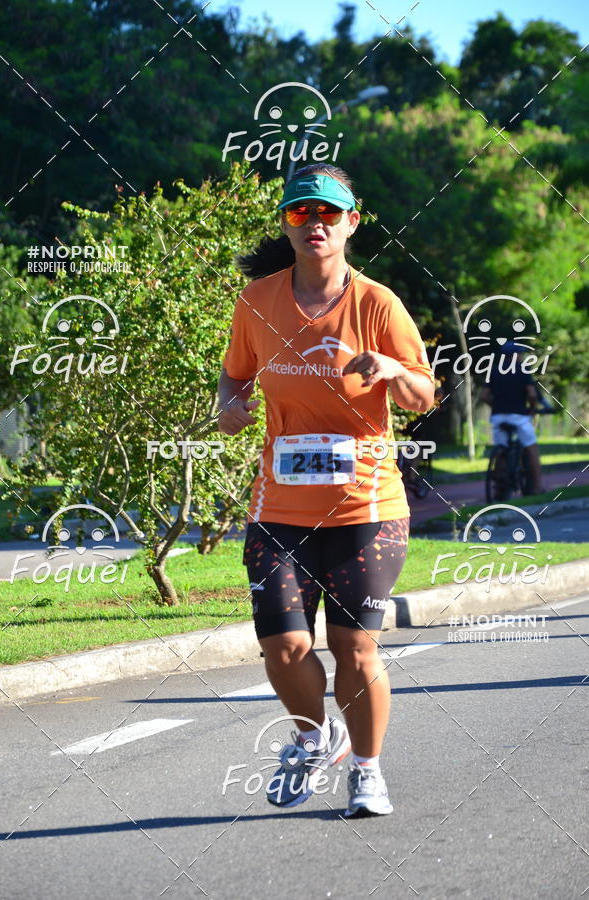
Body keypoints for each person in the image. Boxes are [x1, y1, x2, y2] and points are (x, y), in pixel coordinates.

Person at [218, 164, 434, 817]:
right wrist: (229, 407)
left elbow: (424, 397)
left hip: (366, 508)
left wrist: (394, 369)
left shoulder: (377, 304)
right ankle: (314, 738)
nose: (315, 224)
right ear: (287, 224)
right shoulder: (256, 302)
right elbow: (232, 381)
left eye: (328, 213)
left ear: (351, 221)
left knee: (354, 646)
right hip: (279, 508)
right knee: (283, 646)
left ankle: (367, 771)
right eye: (299, 213)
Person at [480, 340, 544, 494]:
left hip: (498, 417)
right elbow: (531, 393)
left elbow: (484, 396)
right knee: (531, 449)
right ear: (514, 356)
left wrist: (495, 405)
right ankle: (537, 487)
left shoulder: (494, 371)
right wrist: (532, 408)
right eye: (520, 354)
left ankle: (499, 487)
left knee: (502, 450)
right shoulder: (523, 370)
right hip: (519, 416)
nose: (521, 356)